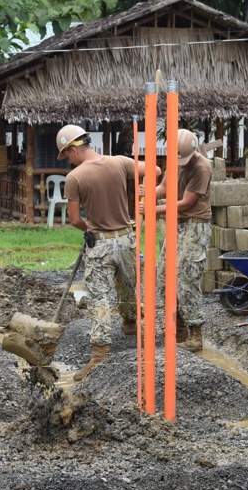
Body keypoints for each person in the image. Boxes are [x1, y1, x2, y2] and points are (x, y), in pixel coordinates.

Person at [58, 124, 160, 381]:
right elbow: (155, 170)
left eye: (67, 155)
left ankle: (101, 354)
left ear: (74, 149)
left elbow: (75, 220)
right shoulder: (119, 162)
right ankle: (130, 324)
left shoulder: (75, 178)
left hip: (100, 243)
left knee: (99, 298)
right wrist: (144, 192)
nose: (68, 160)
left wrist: (90, 227)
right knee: (128, 287)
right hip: (127, 239)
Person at [138, 129, 212, 351]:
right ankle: (177, 326)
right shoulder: (177, 158)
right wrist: (150, 191)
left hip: (195, 225)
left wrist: (154, 209)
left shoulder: (201, 167)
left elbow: (187, 202)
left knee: (186, 277)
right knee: (164, 275)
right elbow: (164, 187)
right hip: (176, 224)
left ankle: (195, 332)